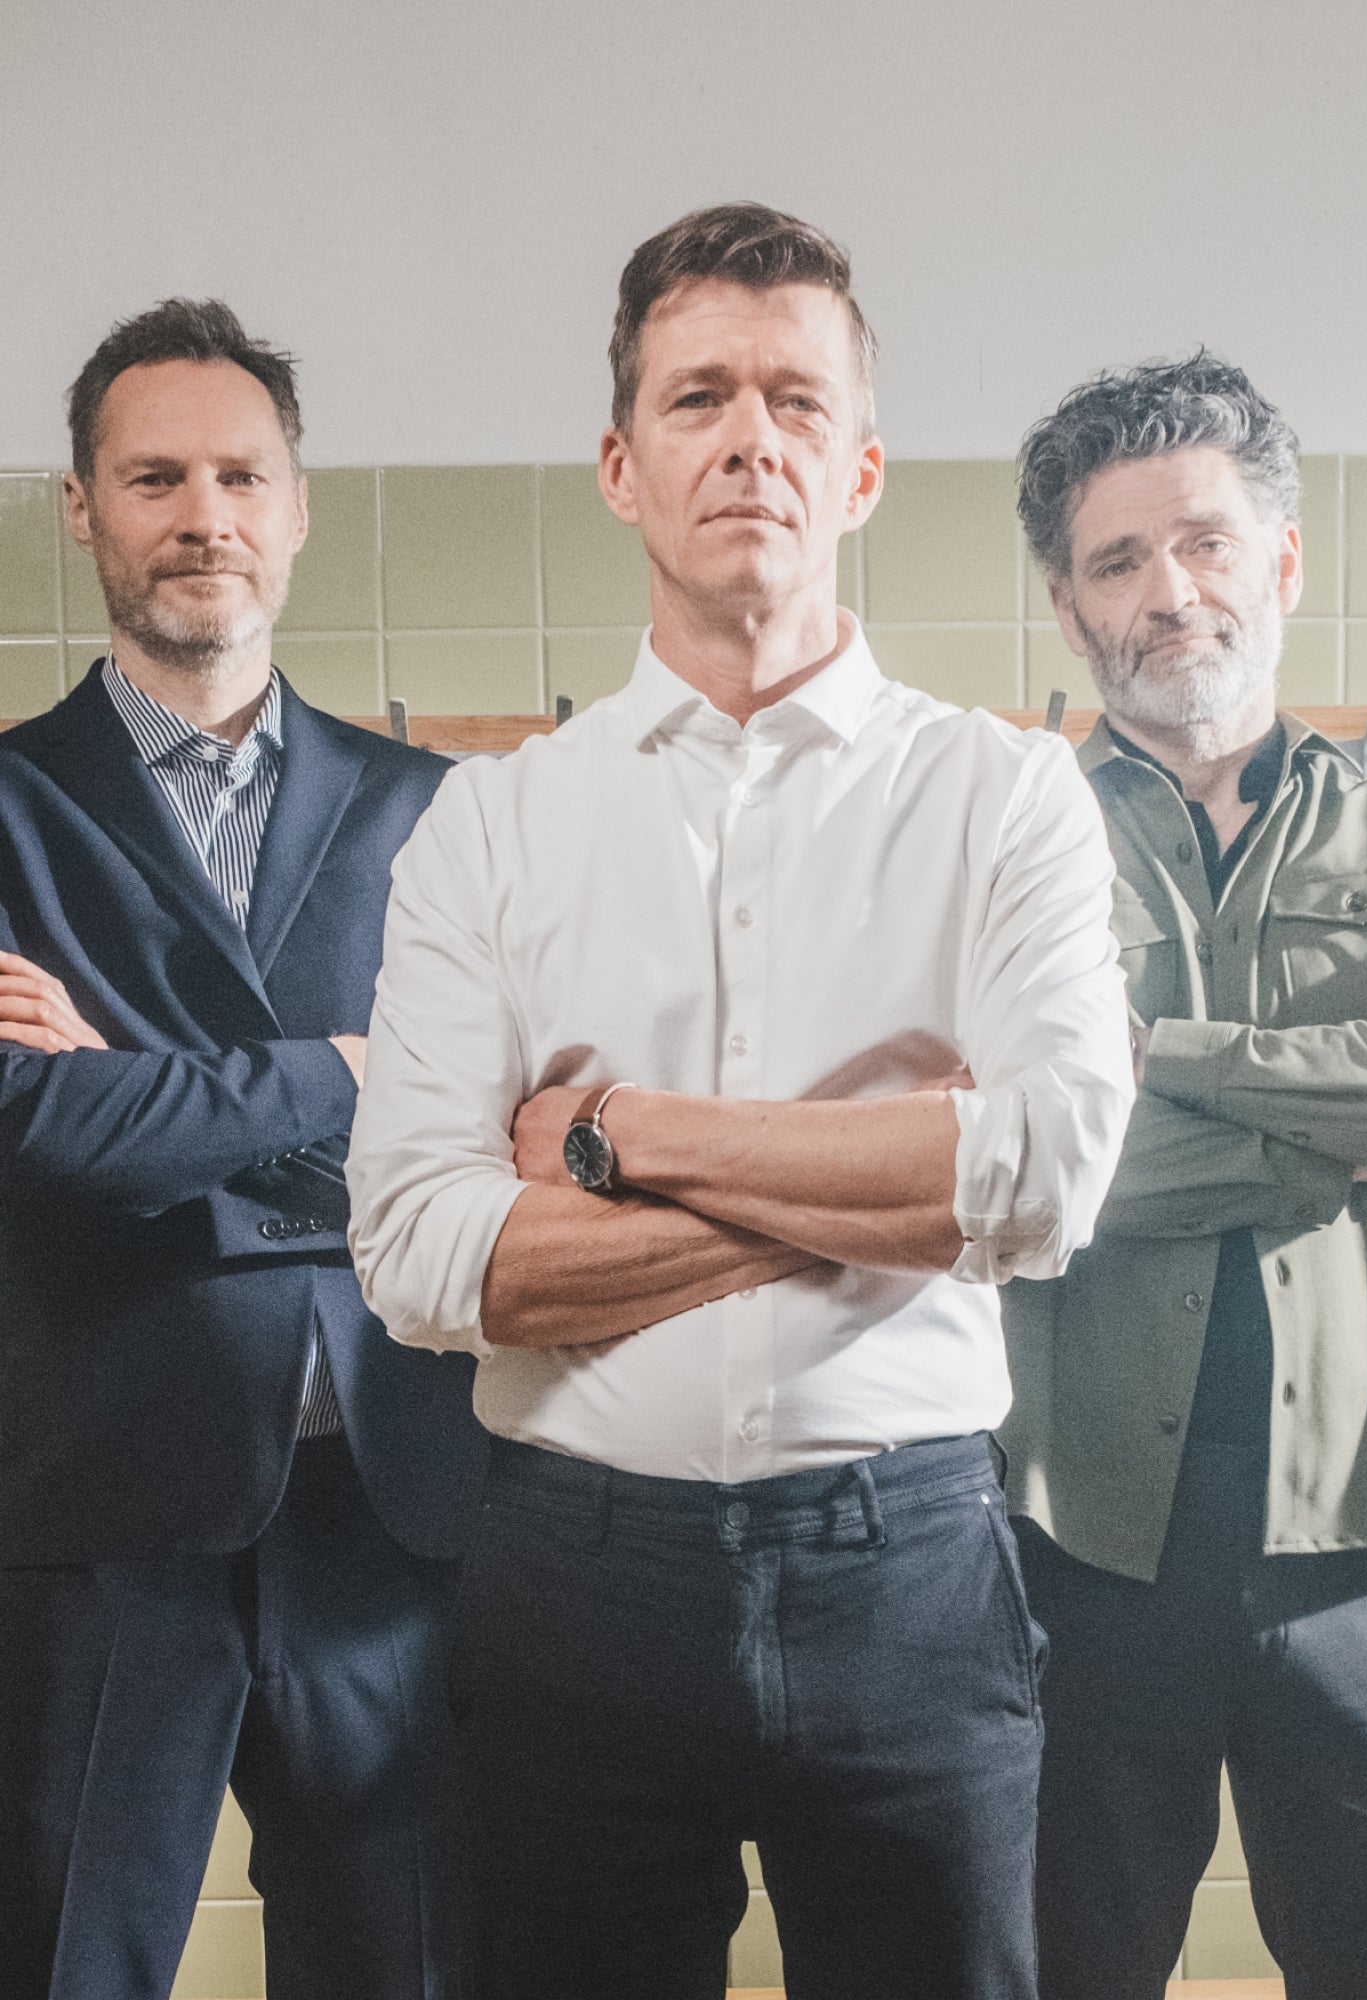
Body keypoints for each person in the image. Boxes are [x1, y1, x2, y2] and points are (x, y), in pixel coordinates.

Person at [346, 201, 1134, 2000]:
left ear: (861, 469)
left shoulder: (1005, 795)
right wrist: (894, 1179)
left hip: (909, 1566)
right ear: (622, 467)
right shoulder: (491, 824)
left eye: (796, 400)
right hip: (575, 1575)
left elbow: (1045, 1179)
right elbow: (418, 1253)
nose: (750, 439)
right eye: (699, 397)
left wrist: (619, 1144)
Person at [1001, 351, 1367, 2000]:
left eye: (1207, 542)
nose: (1171, 592)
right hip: (1073, 1534)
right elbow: (1018, 1157)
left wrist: (1174, 1063)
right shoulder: (1010, 854)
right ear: (1070, 608)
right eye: (1118, 561)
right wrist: (1347, 1139)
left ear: (1280, 561)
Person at [0, 299, 484, 2000]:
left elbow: (492, 1138)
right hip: (102, 1502)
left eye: (238, 476)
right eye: (154, 479)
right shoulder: (7, 808)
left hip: (396, 1508)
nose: (201, 514)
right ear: (83, 508)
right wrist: (354, 1067)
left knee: (405, 1969)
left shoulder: (437, 811)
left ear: (295, 506)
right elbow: (35, 1130)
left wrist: (152, 1093)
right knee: (68, 1963)